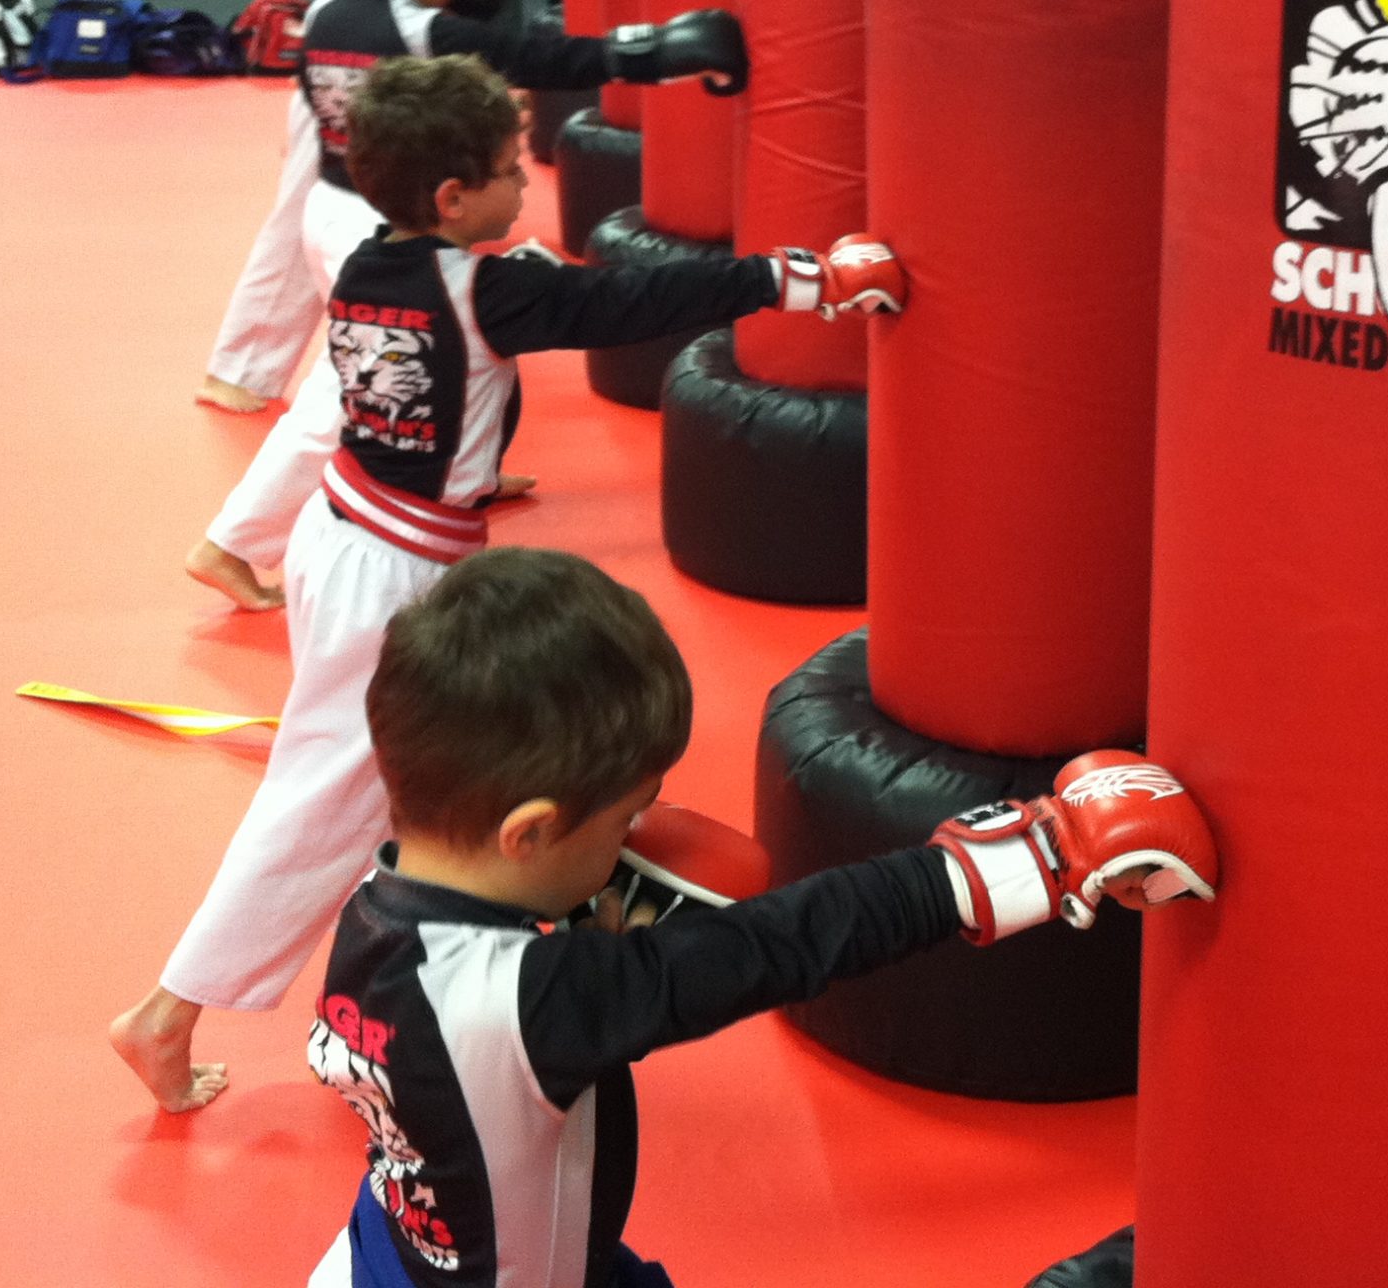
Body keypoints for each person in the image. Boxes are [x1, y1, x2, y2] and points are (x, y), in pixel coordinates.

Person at [114, 53, 906, 1111]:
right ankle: (166, 1012)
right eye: (503, 168)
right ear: (452, 196)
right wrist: (804, 280)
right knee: (326, 792)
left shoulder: (365, 258)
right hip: (385, 566)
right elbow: (634, 299)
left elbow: (412, 392)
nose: (523, 182)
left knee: (401, 789)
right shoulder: (488, 287)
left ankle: (367, 1000)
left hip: (346, 531)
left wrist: (478, 463)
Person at [296, 547, 1218, 1288]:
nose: (637, 840)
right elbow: (780, 947)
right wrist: (1025, 862)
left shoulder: (376, 913)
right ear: (528, 834)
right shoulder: (535, 1005)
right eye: (624, 823)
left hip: (402, 1246)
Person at [187, 0, 738, 607]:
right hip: (371, 224)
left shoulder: (321, 12)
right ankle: (230, 543)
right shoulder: (417, 25)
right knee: (349, 392)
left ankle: (463, 469)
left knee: (448, 359)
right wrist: (659, 54)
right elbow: (533, 58)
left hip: (335, 201)